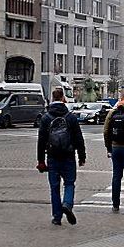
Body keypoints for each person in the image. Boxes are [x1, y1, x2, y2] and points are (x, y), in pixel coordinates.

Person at [36, 88, 86, 226]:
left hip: (52, 157)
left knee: (54, 187)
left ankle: (57, 217)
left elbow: (41, 140)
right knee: (69, 183)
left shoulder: (46, 118)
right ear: (63, 98)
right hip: (68, 156)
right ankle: (67, 204)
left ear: (52, 98)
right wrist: (82, 156)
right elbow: (78, 138)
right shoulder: (70, 117)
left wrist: (40, 160)